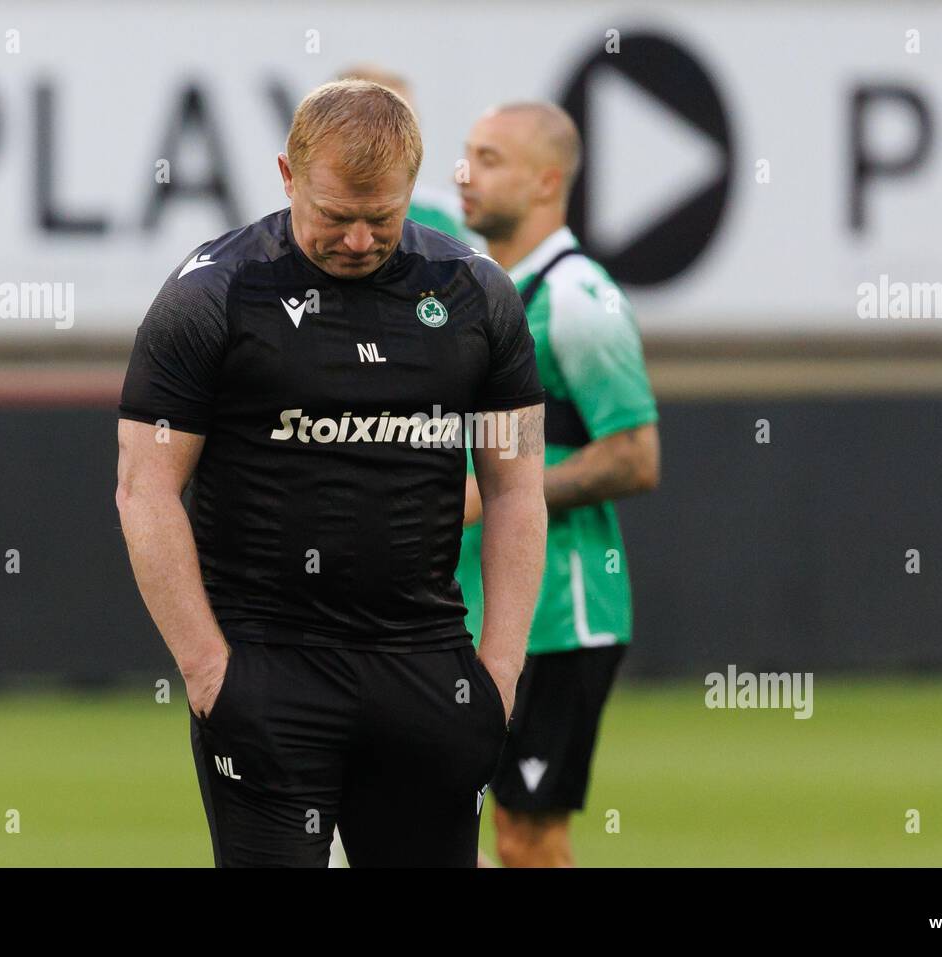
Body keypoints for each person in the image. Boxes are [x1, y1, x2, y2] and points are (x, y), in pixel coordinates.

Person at [115, 80, 547, 867]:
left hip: (427, 671)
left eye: (380, 218)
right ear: (287, 174)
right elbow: (144, 489)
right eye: (335, 216)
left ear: (414, 187)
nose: (356, 240)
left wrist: (501, 670)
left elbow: (517, 487)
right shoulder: (212, 295)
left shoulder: (476, 295)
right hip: (267, 671)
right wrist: (208, 668)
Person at [455, 102, 660, 867]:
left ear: (548, 181)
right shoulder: (483, 289)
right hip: (479, 609)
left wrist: (502, 492)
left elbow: (635, 455)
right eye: (467, 154)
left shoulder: (578, 298)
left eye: (491, 158)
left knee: (527, 836)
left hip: (561, 612)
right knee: (433, 826)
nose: (467, 174)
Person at [335, 64, 480, 246]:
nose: (405, 135)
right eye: (388, 121)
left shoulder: (442, 218)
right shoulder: (304, 217)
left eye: (410, 122)